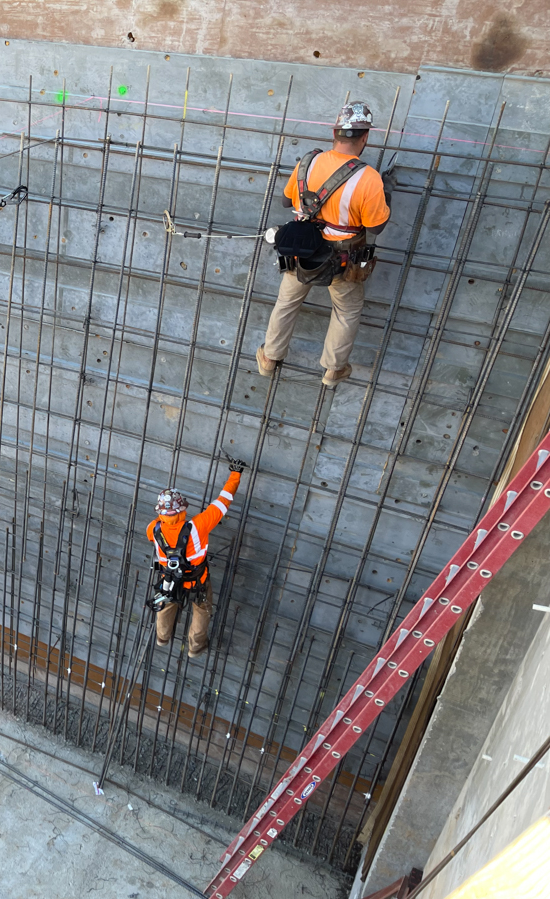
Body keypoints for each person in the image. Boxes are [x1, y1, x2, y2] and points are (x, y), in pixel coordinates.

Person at [257, 102, 392, 387]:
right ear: (365, 137)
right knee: (346, 311)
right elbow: (375, 227)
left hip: (302, 250)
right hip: (344, 259)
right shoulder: (369, 178)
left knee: (287, 301)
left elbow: (285, 201)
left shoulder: (308, 161)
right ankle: (333, 370)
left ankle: (269, 358)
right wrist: (385, 198)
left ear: (334, 132)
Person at [146, 457, 246, 658]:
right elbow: (223, 501)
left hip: (169, 579)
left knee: (166, 604)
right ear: (182, 508)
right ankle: (196, 647)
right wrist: (235, 474)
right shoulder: (198, 526)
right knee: (201, 611)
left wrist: (163, 517)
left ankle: (162, 637)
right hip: (197, 580)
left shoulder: (153, 528)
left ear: (161, 513)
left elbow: (161, 522)